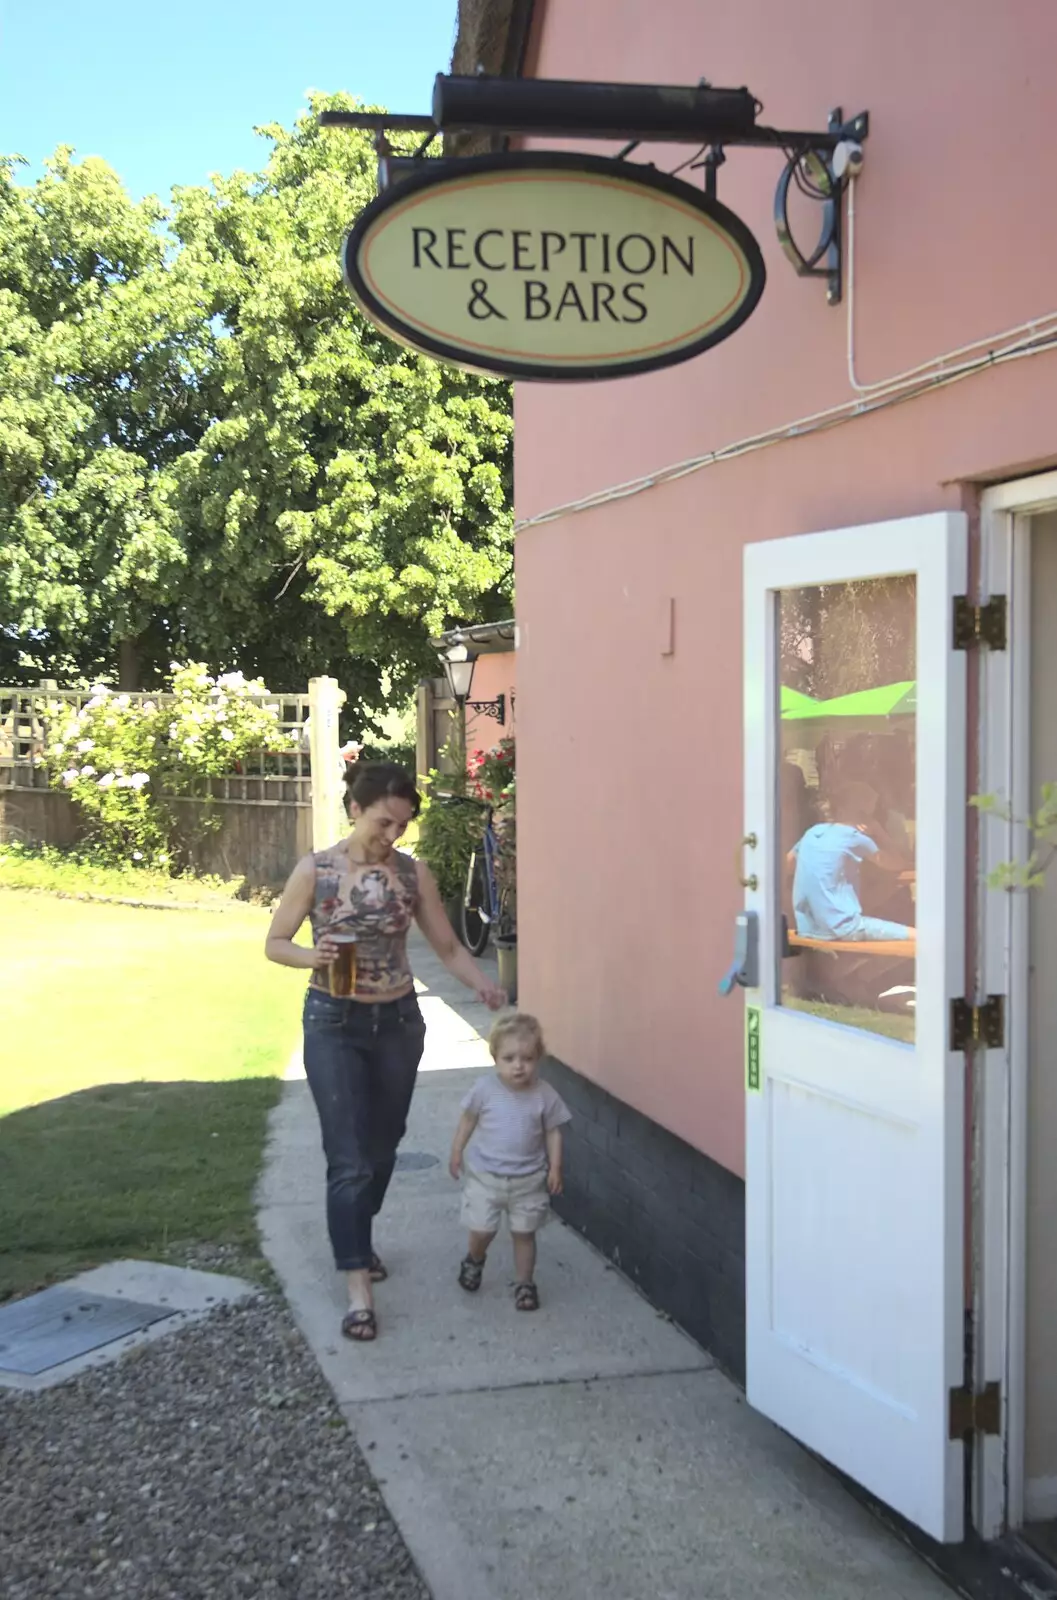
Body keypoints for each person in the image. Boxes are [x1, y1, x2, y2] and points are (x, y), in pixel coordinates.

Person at [265, 760, 506, 1343]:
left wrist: (483, 984)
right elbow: (275, 943)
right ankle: (358, 1290)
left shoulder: (412, 874)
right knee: (346, 1156)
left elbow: (446, 946)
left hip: (398, 1021)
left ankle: (357, 1236)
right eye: (382, 822)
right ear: (354, 808)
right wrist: (313, 958)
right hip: (333, 1020)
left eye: (400, 826)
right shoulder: (315, 870)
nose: (391, 836)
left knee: (382, 1147)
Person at [448, 1013, 570, 1312]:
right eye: (509, 1058)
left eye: (527, 1058)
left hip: (529, 1180)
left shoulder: (544, 1095)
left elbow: (553, 1132)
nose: (518, 1065)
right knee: (482, 1230)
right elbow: (468, 1120)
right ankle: (475, 1258)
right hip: (486, 1177)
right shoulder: (484, 1090)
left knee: (524, 1233)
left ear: (538, 1057)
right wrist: (456, 1151)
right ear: (495, 1058)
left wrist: (555, 1167)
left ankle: (525, 1284)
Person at [789, 779, 913, 942]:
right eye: (870, 813)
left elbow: (787, 864)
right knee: (918, 935)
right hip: (842, 929)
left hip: (806, 929)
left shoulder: (812, 832)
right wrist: (878, 831)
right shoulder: (854, 837)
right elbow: (897, 864)